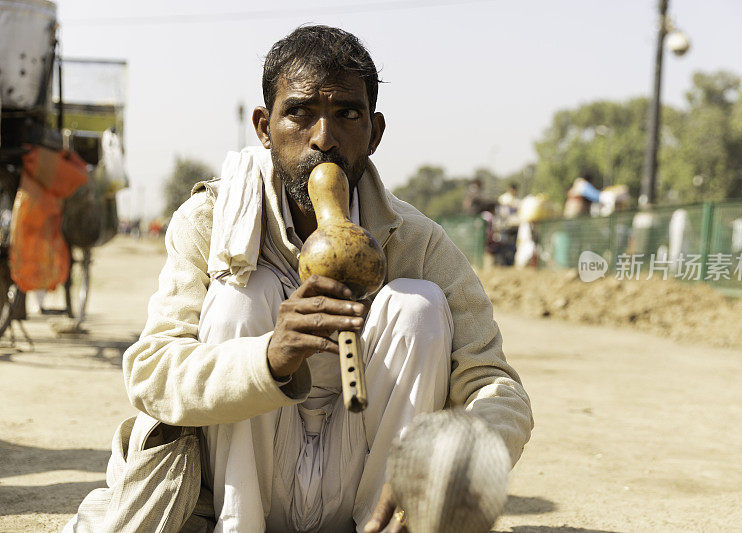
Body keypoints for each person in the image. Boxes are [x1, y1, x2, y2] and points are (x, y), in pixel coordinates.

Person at [66, 25, 532, 533]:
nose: (323, 139)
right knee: (242, 296)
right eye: (299, 113)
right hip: (244, 490)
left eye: (346, 115)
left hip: (363, 485)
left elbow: (496, 387)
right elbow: (150, 374)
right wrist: (266, 359)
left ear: (374, 133)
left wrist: (448, 460)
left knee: (416, 307)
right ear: (265, 128)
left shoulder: (416, 242)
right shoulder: (210, 223)